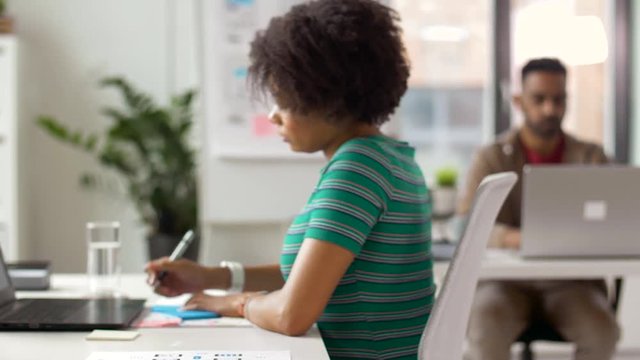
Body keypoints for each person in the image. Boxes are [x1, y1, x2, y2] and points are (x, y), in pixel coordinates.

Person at [146, 1, 434, 358]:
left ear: (328, 99)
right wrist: (210, 278)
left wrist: (236, 304)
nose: (272, 116)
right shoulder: (392, 158)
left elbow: (291, 313)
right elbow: (310, 279)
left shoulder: (357, 168)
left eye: (283, 101)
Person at [459, 58, 620, 360]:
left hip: (572, 283)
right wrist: (520, 238)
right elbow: (467, 225)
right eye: (540, 99)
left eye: (558, 100)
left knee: (603, 332)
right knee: (485, 329)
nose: (550, 109)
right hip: (503, 283)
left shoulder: (591, 156)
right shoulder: (491, 157)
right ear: (519, 101)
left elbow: (617, 219)